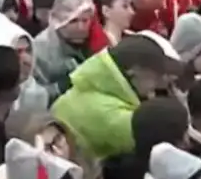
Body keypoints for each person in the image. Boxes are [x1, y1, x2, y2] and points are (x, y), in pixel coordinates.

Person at [51, 33, 184, 161]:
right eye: (155, 76)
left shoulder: (92, 85)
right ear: (135, 72)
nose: (158, 84)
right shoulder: (114, 118)